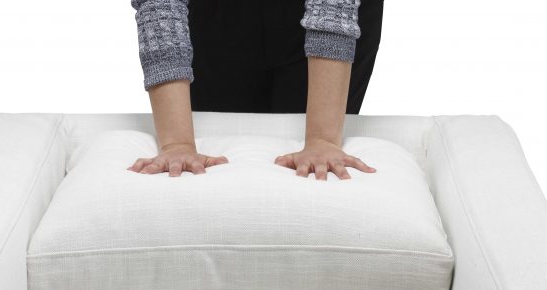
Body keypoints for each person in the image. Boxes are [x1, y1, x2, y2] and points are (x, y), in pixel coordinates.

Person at [128, 0, 383, 180]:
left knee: (315, 171)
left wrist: (323, 140)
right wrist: (176, 144)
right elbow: (161, 5)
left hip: (333, 14)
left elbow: (333, 7)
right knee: (220, 171)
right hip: (214, 17)